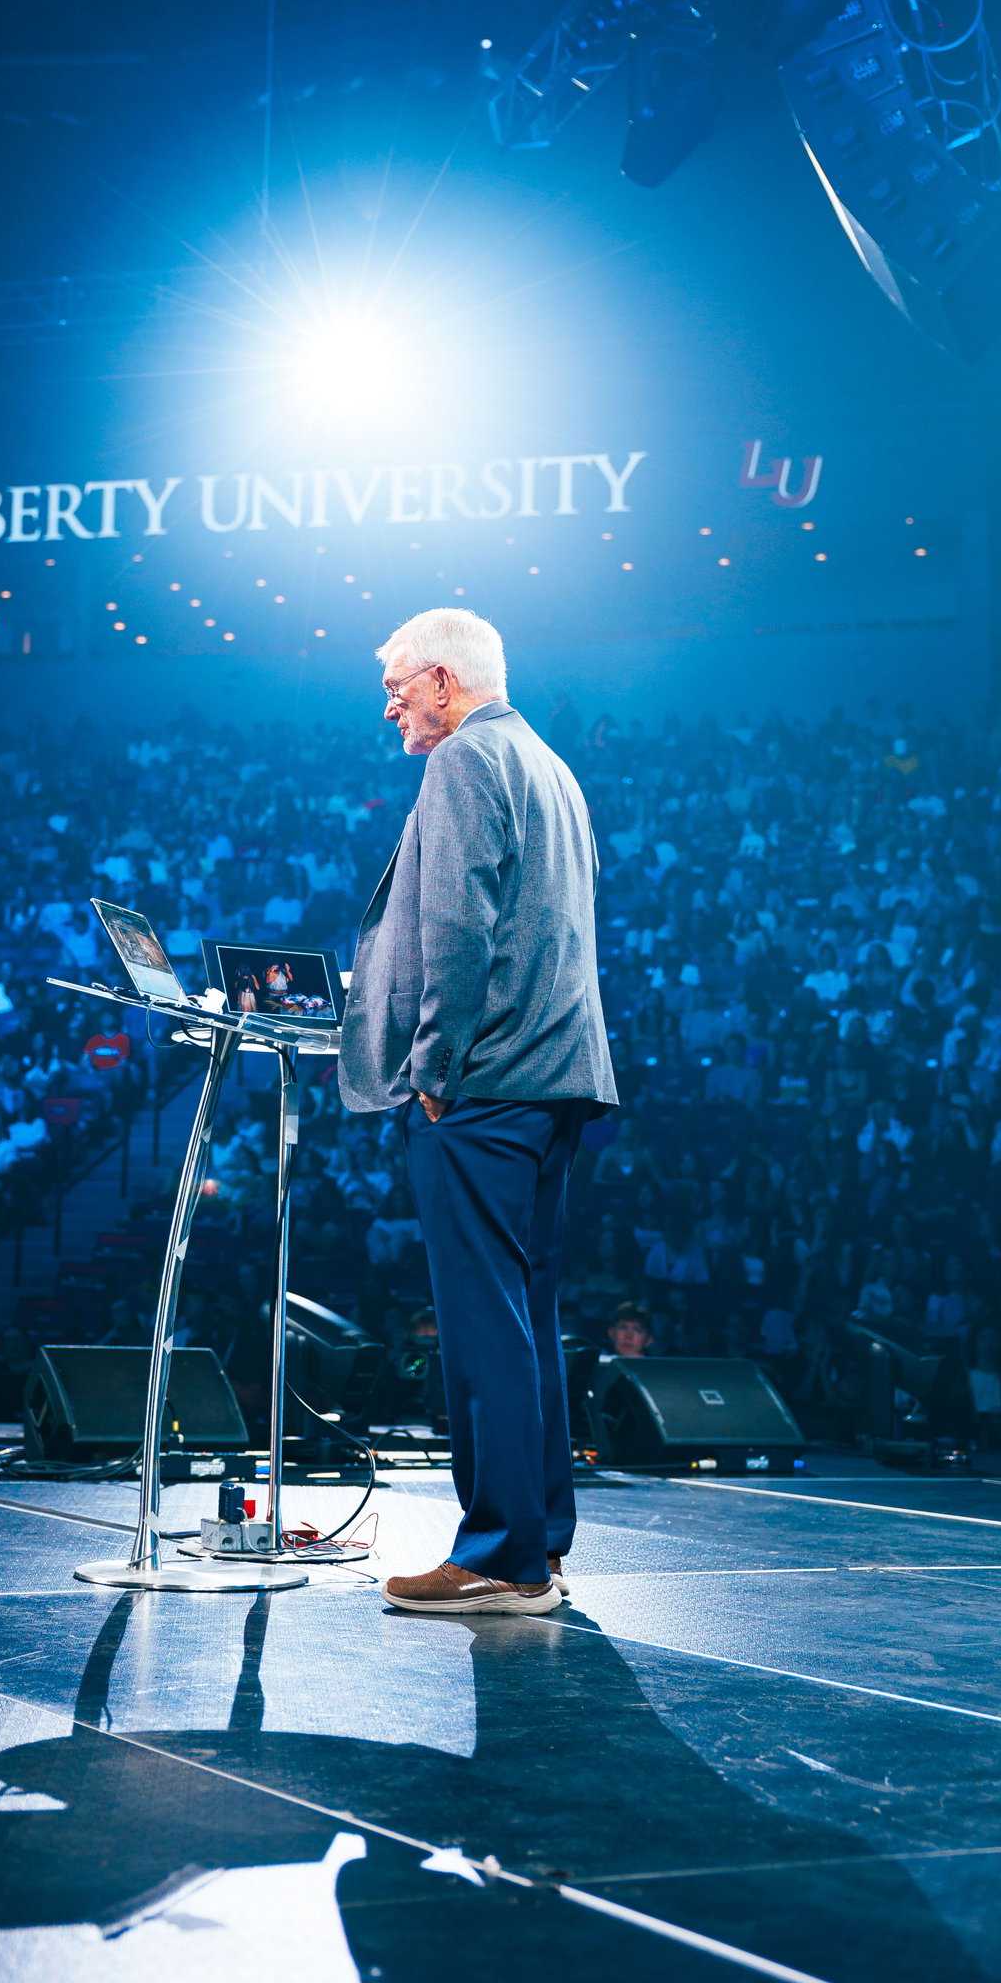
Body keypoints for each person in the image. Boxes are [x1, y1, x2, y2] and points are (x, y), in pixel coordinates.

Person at [338, 607, 616, 1618]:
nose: (391, 708)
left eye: (398, 688)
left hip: (484, 1083)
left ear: (445, 681)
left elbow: (458, 925)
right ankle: (536, 1540)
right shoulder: (545, 763)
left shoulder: (460, 763)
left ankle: (501, 1556)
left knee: (482, 1327)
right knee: (524, 1317)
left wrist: (435, 1071)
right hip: (552, 1077)